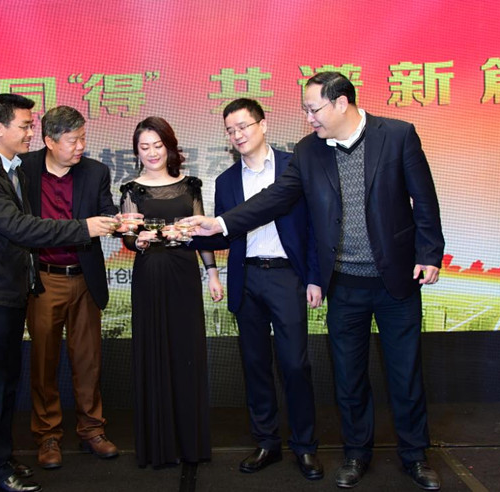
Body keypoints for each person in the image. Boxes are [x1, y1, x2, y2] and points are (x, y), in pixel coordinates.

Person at [185, 72, 445, 490]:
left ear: (341, 103)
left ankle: (415, 456)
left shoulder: (397, 136)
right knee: (349, 377)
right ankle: (356, 454)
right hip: (343, 283)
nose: (308, 118)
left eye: (313, 109)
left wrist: (429, 253)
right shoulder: (309, 151)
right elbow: (275, 198)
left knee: (405, 374)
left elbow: (424, 199)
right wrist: (220, 224)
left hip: (395, 279)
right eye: (306, 110)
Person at [0, 94, 118, 492]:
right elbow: (20, 227)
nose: (30, 132)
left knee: (5, 383)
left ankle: (2, 459)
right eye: (25, 126)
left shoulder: (8, 168)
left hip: (7, 290)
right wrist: (85, 227)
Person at [193, 98, 324, 480]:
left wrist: (314, 277)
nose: (237, 135)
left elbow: (314, 227)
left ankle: (305, 446)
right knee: (255, 365)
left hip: (287, 277)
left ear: (263, 125)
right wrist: (193, 244)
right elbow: (223, 234)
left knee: (295, 365)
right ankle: (267, 441)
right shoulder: (226, 181)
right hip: (247, 277)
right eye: (230, 130)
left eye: (243, 126)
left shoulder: (293, 167)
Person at [118, 116, 222, 468]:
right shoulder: (132, 190)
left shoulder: (190, 186)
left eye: (157, 145)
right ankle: (158, 447)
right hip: (150, 275)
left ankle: (190, 444)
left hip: (184, 275)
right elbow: (129, 236)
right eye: (144, 147)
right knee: (154, 352)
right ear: (136, 152)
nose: (152, 153)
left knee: (186, 351)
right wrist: (139, 241)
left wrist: (212, 273)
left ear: (169, 146)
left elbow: (202, 234)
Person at [22, 106, 119, 469]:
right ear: (49, 141)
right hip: (44, 280)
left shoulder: (96, 172)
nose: (81, 146)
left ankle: (92, 430)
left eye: (83, 138)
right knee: (43, 361)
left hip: (84, 278)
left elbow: (106, 212)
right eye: (73, 140)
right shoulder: (24, 169)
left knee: (88, 361)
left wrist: (119, 223)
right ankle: (47, 434)